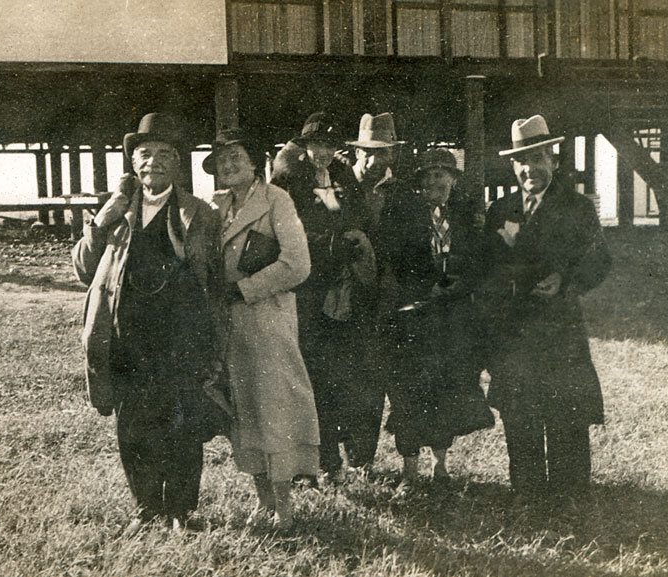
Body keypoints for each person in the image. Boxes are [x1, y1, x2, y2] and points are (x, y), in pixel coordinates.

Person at [72, 112, 226, 533]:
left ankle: (180, 510)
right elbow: (84, 270)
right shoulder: (117, 211)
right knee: (133, 424)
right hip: (126, 335)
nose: (153, 162)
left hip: (180, 334)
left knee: (181, 421)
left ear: (178, 164)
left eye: (163, 154)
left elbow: (214, 278)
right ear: (133, 163)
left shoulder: (200, 213)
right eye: (144, 154)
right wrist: (103, 220)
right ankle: (146, 508)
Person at [480, 114, 611, 501]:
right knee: (519, 414)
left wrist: (565, 280)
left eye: (537, 159)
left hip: (559, 332)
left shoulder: (577, 208)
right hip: (514, 333)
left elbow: (600, 261)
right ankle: (527, 492)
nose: (530, 169)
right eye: (522, 161)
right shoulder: (500, 210)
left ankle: (570, 495)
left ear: (553, 160)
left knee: (565, 412)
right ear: (513, 166)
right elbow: (486, 266)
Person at [203, 128, 319, 530]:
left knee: (276, 407)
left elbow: (298, 264)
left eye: (237, 155)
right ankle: (263, 501)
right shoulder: (215, 208)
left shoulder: (276, 200)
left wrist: (244, 289)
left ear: (256, 163)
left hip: (267, 318)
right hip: (229, 325)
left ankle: (284, 507)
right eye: (222, 159)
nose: (229, 164)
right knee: (244, 409)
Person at [271, 112, 379, 480]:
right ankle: (320, 462)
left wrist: (352, 239)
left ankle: (351, 459)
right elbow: (283, 232)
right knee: (312, 375)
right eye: (317, 145)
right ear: (304, 147)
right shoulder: (288, 179)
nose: (323, 153)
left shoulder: (344, 176)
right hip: (308, 290)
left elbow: (359, 216)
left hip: (344, 288)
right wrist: (329, 245)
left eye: (329, 146)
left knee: (345, 373)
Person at [378, 148, 494, 485]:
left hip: (453, 319)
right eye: (427, 176)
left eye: (441, 175)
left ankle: (440, 466)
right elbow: (394, 261)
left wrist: (457, 287)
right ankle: (409, 472)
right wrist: (426, 288)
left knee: (446, 391)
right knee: (410, 393)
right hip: (413, 318)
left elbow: (478, 262)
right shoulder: (403, 215)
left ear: (453, 179)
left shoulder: (465, 217)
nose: (434, 181)